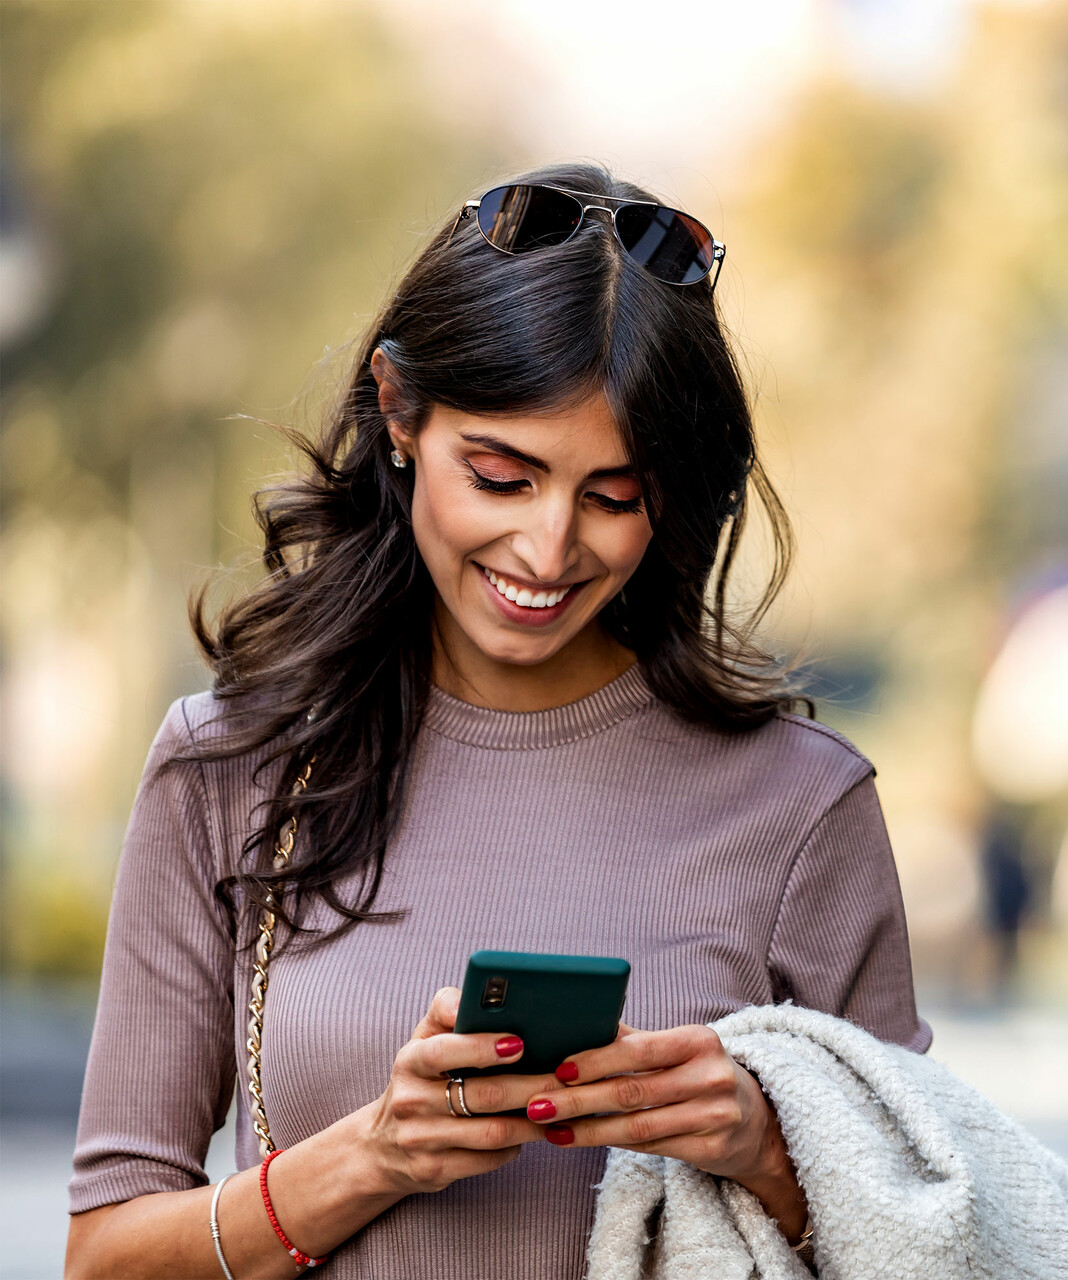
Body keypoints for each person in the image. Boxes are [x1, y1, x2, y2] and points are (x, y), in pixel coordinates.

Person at [65, 163, 930, 1280]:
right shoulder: (229, 767)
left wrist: (765, 1148)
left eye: (613, 495)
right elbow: (104, 1255)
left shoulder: (801, 807)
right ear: (398, 411)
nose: (548, 546)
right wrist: (375, 1155)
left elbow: (933, 1231)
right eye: (501, 475)